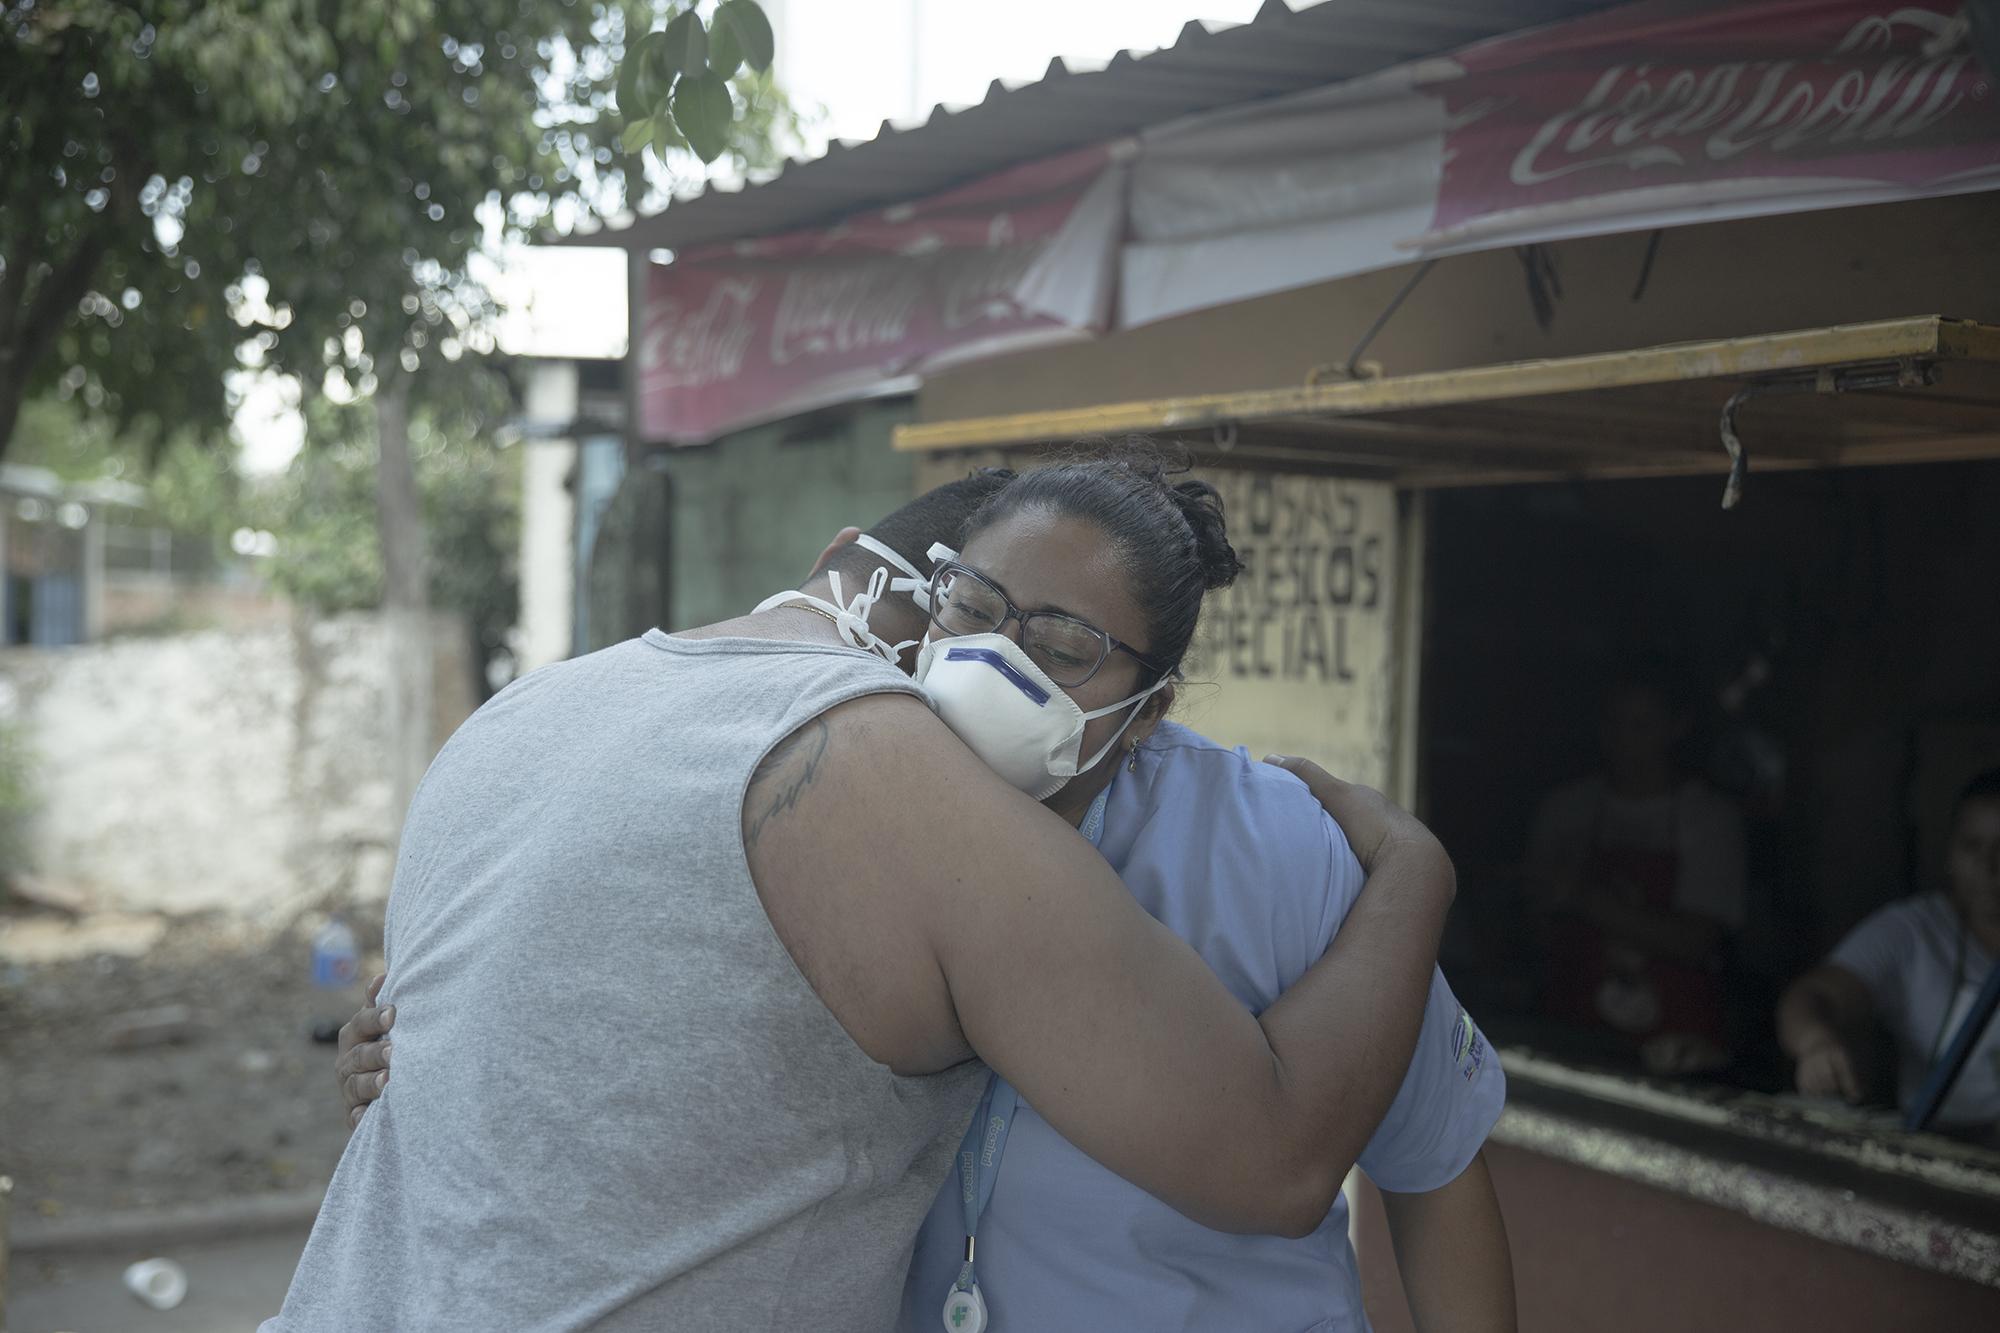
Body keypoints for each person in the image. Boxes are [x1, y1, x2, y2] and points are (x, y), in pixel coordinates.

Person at [269, 453, 1457, 1331]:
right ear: (916, 594)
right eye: (970, 610)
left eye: (1063, 642)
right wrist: (1418, 871)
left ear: (1149, 709)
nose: (987, 662)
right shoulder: (886, 775)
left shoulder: (526, 711)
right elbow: (1276, 1154)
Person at [1526, 659, 1748, 1071]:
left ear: (1677, 727)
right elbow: (1531, 919)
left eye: (1640, 726)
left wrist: (1585, 898)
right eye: (1613, 723)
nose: (1622, 741)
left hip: (1678, 1042)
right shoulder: (1568, 808)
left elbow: (1697, 941)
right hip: (1571, 1030)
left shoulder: (1708, 818)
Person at [1778, 768, 2000, 1132]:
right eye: (1972, 846)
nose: (1990, 868)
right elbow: (1812, 995)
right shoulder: (1914, 932)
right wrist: (1816, 1042)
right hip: (1939, 1146)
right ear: (1950, 855)